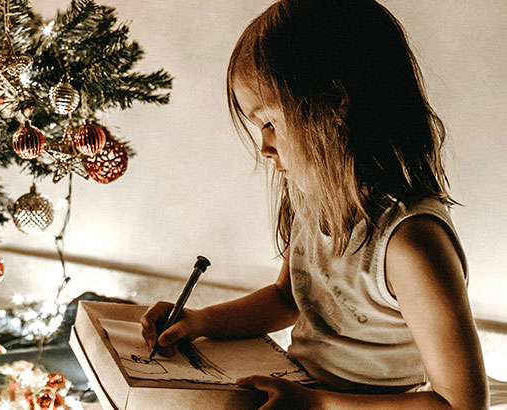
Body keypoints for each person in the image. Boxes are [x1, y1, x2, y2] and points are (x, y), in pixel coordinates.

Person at [140, 0, 489, 408]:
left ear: (333, 103)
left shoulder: (410, 244)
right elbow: (287, 298)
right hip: (299, 391)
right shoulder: (311, 201)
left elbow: (462, 403)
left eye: (270, 122)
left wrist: (318, 404)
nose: (265, 147)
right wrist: (199, 321)